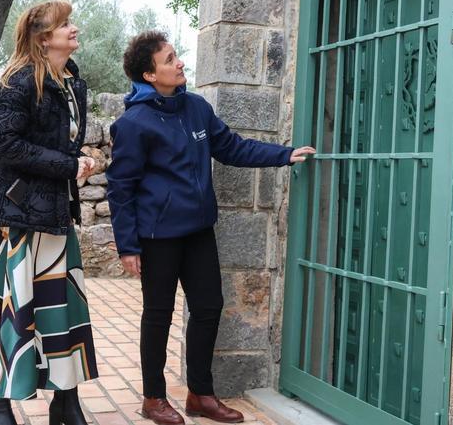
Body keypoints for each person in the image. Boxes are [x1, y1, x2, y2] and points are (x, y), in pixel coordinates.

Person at [107, 31, 315, 425]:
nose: (179, 62)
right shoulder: (133, 124)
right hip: (158, 236)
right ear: (150, 75)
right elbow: (121, 188)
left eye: (175, 57)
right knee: (158, 313)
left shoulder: (197, 109)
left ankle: (200, 394)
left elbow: (233, 147)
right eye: (169, 59)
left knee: (208, 307)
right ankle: (153, 399)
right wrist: (127, 246)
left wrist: (285, 155)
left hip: (198, 230)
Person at [0, 0, 99, 425]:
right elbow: (5, 144)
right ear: (43, 37)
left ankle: (65, 401)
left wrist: (78, 158)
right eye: (65, 24)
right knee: (18, 311)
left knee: (62, 309)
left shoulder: (71, 81)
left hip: (56, 214)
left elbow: (57, 143)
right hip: (20, 214)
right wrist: (68, 164)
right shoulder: (18, 81)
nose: (74, 29)